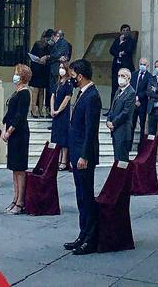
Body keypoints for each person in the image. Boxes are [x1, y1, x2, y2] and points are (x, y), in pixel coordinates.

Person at [65, 60, 104, 255]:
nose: (71, 78)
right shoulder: (82, 94)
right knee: (80, 195)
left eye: (72, 75)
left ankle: (91, 237)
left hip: (84, 155)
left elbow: (91, 130)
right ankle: (83, 233)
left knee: (87, 196)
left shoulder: (92, 96)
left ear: (80, 75)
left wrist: (84, 155)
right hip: (76, 151)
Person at [2, 64, 33, 214]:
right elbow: (9, 113)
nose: (14, 75)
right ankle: (15, 198)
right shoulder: (16, 92)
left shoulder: (25, 93)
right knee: (14, 168)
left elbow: (19, 116)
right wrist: (4, 128)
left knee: (20, 168)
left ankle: (21, 201)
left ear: (22, 76)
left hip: (19, 134)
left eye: (16, 73)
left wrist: (9, 131)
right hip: (12, 134)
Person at [109, 65, 138, 163]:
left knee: (122, 160)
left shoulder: (131, 92)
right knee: (116, 158)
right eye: (119, 76)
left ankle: (123, 178)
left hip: (123, 130)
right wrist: (109, 120)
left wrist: (113, 123)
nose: (120, 78)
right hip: (115, 131)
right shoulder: (118, 91)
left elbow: (126, 112)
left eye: (123, 76)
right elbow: (112, 108)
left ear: (128, 78)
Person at [110, 24, 137, 98]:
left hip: (126, 67)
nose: (125, 32)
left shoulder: (131, 41)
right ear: (121, 32)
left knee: (125, 88)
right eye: (123, 30)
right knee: (114, 88)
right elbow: (111, 50)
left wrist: (121, 51)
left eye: (127, 30)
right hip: (116, 67)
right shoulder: (117, 40)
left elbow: (128, 50)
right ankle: (112, 107)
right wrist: (120, 45)